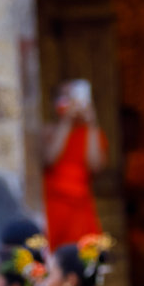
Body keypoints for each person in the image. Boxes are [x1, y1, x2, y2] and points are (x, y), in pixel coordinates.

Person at [42, 80, 105, 247]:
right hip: (55, 204)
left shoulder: (90, 133)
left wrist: (91, 122)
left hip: (80, 205)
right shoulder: (49, 130)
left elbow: (95, 165)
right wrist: (66, 122)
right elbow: (50, 159)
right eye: (67, 98)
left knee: (84, 253)